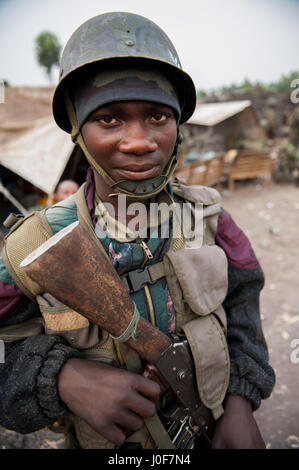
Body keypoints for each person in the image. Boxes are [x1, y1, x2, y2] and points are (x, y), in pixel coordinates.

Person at [0, 12, 275, 450]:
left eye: (158, 117)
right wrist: (61, 378)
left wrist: (240, 402)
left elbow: (244, 305)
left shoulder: (209, 219)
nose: (139, 141)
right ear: (77, 126)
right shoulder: (31, 246)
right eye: (109, 118)